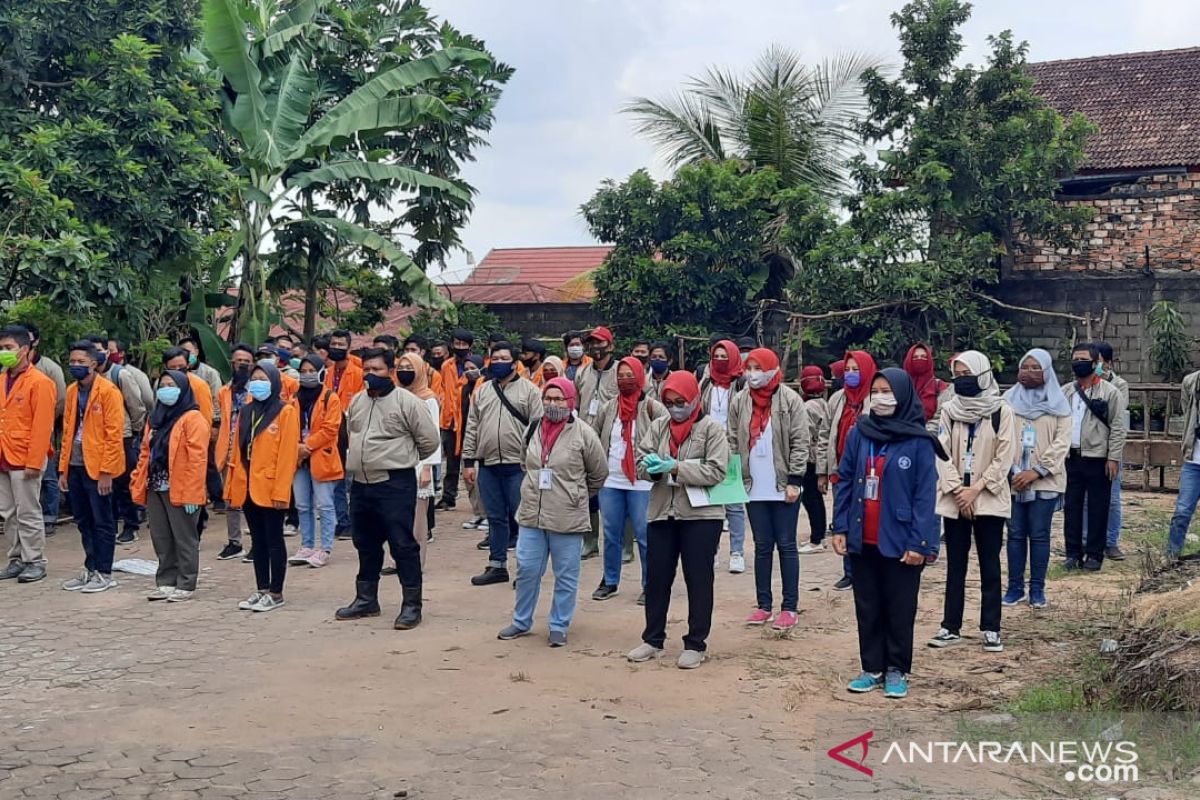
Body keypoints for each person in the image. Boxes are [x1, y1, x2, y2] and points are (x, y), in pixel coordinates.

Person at [832, 368, 943, 699]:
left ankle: (897, 669)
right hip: (861, 534)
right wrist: (839, 526)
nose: (880, 397)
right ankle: (872, 667)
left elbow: (926, 495)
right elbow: (846, 480)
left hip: (901, 539)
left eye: (887, 391)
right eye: (875, 391)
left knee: (899, 606)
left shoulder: (919, 441)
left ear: (903, 395)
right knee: (867, 604)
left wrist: (921, 542)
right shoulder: (859, 433)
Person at [626, 371, 729, 670]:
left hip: (700, 516)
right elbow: (642, 459)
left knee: (698, 579)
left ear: (695, 398)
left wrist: (676, 468)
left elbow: (716, 470)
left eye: (681, 401)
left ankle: (696, 643)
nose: (675, 407)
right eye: (669, 402)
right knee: (657, 578)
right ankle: (653, 640)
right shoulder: (659, 427)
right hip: (662, 511)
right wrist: (654, 469)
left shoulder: (711, 429)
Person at [335, 348, 439, 629]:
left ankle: (411, 606)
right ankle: (366, 599)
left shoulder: (408, 402)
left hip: (395, 483)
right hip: (361, 484)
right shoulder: (357, 401)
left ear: (390, 371)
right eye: (366, 369)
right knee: (365, 544)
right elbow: (349, 435)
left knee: (402, 544)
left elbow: (429, 440)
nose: (370, 374)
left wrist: (402, 459)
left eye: (377, 369)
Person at [498, 378, 607, 646]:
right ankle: (521, 621)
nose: (553, 404)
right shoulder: (534, 426)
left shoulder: (584, 433)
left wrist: (576, 495)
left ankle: (559, 625)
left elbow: (598, 473)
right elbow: (526, 461)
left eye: (559, 399)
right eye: (548, 398)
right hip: (532, 513)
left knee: (566, 574)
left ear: (570, 401)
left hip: (567, 515)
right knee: (526, 569)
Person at [928, 351, 1015, 654]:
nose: (962, 380)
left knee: (990, 564)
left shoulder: (1001, 411)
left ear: (983, 374)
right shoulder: (950, 410)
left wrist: (975, 489)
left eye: (968, 374)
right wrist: (956, 490)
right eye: (958, 374)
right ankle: (950, 625)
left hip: (988, 499)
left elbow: (1005, 457)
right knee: (955, 565)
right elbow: (941, 452)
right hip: (956, 501)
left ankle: (991, 627)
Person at [728, 348, 809, 632]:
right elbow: (731, 439)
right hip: (754, 486)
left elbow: (801, 440)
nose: (752, 373)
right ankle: (764, 605)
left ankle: (789, 607)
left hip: (783, 484)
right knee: (762, 546)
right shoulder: (740, 401)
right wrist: (735, 477)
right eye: (748, 368)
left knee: (786, 545)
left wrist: (795, 480)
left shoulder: (790, 400)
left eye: (757, 368)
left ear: (772, 369)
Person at [463, 341, 543, 586]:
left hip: (518, 467)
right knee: (496, 518)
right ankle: (497, 565)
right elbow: (472, 426)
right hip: (488, 465)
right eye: (494, 358)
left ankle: (527, 571)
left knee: (524, 519)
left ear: (514, 362)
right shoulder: (483, 390)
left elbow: (539, 428)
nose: (498, 362)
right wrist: (468, 461)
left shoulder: (530, 391)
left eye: (503, 358)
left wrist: (535, 463)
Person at [225, 362, 301, 612]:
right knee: (257, 541)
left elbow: (287, 456)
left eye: (263, 378)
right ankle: (261, 588)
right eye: (254, 378)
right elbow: (236, 453)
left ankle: (276, 592)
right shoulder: (246, 411)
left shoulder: (285, 412)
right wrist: (232, 488)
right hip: (247, 486)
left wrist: (281, 492)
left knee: (274, 539)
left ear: (274, 382)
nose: (257, 383)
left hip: (271, 487)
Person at [1002, 349, 1072, 609]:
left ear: (1046, 371)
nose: (1028, 372)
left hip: (1045, 481)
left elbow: (1061, 442)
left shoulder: (1059, 405)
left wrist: (1037, 471)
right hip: (1013, 480)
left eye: (1035, 368)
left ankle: (1037, 590)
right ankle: (1014, 588)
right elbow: (1001, 439)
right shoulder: (1007, 401)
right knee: (1015, 534)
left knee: (1040, 535)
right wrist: (1014, 471)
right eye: (1025, 367)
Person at [592, 357, 665, 603]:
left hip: (642, 482)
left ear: (640, 376)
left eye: (629, 375)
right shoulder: (608, 407)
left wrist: (657, 465)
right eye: (620, 375)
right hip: (611, 479)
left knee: (645, 535)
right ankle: (610, 580)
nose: (625, 380)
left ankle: (650, 583)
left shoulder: (652, 407)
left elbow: (668, 436)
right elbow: (594, 436)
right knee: (611, 533)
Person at [131, 370, 208, 601]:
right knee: (161, 536)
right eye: (162, 385)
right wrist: (137, 479)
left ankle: (186, 582)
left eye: (171, 384)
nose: (166, 389)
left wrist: (194, 494)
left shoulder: (193, 419)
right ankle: (166, 580)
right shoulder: (155, 418)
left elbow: (198, 459)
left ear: (183, 389)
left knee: (184, 538)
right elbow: (145, 452)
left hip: (182, 489)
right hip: (155, 485)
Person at [57, 342, 125, 593]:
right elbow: (67, 432)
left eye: (80, 362)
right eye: (72, 361)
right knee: (83, 519)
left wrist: (106, 471)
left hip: (98, 467)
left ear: (94, 364)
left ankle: (105, 572)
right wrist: (63, 469)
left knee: (102, 520)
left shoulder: (108, 392)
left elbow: (113, 434)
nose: (75, 365)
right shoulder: (73, 390)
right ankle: (91, 567)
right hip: (75, 463)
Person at [1061, 344, 1126, 572]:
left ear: (1095, 363)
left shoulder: (1110, 392)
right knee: (1071, 507)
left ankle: (1095, 555)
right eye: (1075, 358)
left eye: (1083, 359)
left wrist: (1114, 457)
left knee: (1099, 507)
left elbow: (1118, 427)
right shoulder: (1066, 391)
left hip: (1099, 458)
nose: (1078, 362)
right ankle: (1072, 553)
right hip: (1072, 457)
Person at [0, 325, 56, 583]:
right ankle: (16, 558)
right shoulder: (1, 379)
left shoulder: (40, 382)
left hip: (25, 457)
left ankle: (35, 560)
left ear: (25, 350)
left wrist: (35, 462)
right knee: (8, 513)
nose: (4, 352)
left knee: (28, 511)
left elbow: (43, 426)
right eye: (2, 348)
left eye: (8, 348)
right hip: (3, 454)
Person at [820, 350, 877, 591]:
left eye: (856, 370)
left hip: (869, 471)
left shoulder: (876, 399)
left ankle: (869, 570)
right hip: (841, 470)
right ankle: (849, 572)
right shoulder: (837, 399)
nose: (851, 375)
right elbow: (825, 434)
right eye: (848, 370)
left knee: (867, 519)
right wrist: (822, 471)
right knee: (843, 518)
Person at [288, 354, 343, 569]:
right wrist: (297, 449)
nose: (307, 375)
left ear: (321, 372)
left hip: (321, 456)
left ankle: (325, 548)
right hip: (299, 459)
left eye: (312, 370)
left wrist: (307, 446)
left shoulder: (331, 398)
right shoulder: (294, 399)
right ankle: (307, 545)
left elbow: (330, 429)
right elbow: (288, 426)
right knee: (302, 504)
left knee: (325, 505)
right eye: (303, 371)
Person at [99, 337, 152, 543]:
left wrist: (134, 431)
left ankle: (131, 525)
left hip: (123, 435)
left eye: (102, 350)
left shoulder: (121, 374)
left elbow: (137, 405)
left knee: (124, 482)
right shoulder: (91, 377)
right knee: (105, 483)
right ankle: (109, 524)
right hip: (100, 438)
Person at [700, 339, 746, 573]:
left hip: (733, 447)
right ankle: (712, 549)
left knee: (734, 505)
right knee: (712, 504)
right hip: (709, 448)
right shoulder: (706, 382)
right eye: (716, 356)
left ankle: (737, 552)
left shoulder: (741, 384)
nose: (720, 360)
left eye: (724, 356)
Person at [575, 326, 619, 559]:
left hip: (613, 442)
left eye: (600, 343)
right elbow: (576, 403)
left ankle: (622, 544)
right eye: (591, 343)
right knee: (588, 492)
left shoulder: (621, 371)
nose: (595, 347)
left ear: (610, 346)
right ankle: (590, 542)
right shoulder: (582, 372)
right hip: (585, 439)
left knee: (616, 493)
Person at [397, 352, 442, 562]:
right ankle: (399, 560)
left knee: (418, 519)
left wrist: (427, 467)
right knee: (398, 516)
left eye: (409, 368)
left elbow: (433, 435)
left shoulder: (428, 399)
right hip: (397, 461)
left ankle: (416, 562)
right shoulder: (395, 395)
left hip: (419, 464)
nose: (405, 372)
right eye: (401, 367)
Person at [23, 324, 65, 537]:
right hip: (16, 434)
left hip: (44, 427)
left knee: (47, 475)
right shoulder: (6, 372)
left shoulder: (49, 368)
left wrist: (47, 420)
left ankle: (50, 516)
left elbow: (61, 400)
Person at [178, 336, 225, 523]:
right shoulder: (173, 378)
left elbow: (217, 398)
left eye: (190, 352)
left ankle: (217, 496)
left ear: (196, 351)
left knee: (209, 463)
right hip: (184, 427)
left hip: (205, 422)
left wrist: (215, 424)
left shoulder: (209, 373)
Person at [214, 344, 254, 561]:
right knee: (231, 500)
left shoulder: (257, 389)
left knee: (253, 499)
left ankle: (258, 542)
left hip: (251, 452)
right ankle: (234, 542)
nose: (242, 364)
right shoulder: (224, 391)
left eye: (246, 361)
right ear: (232, 362)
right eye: (238, 360)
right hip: (228, 451)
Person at [1092, 342, 1130, 562]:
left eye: (1100, 362)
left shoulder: (1119, 385)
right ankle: (1088, 540)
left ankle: (1111, 542)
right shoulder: (1081, 384)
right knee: (1088, 499)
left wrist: (1103, 384)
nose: (1097, 366)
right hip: (1089, 448)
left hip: (1111, 448)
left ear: (1108, 363)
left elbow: (1115, 416)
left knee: (1113, 498)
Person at [324, 329, 362, 540]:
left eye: (341, 345)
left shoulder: (357, 373)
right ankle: (343, 520)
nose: (336, 348)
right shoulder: (327, 373)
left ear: (348, 348)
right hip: (332, 432)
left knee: (354, 480)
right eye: (334, 344)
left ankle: (355, 521)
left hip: (352, 431)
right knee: (336, 477)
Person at [436, 328, 475, 511]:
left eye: (463, 344)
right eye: (457, 343)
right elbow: (444, 388)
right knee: (451, 460)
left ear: (470, 346)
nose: (460, 347)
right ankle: (448, 496)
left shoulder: (474, 365)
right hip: (450, 419)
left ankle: (477, 500)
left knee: (472, 459)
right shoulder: (446, 366)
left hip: (468, 417)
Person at [1169, 365, 1200, 558]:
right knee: (1182, 511)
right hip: (1193, 460)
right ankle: (1172, 554)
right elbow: (1186, 409)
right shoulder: (1191, 382)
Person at [798, 366, 829, 554]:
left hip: (810, 459)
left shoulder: (807, 407)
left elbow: (805, 435)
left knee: (811, 499)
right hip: (820, 457)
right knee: (816, 498)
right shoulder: (824, 403)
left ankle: (817, 538)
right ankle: (820, 536)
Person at [904, 343, 947, 429]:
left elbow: (942, 416)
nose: (919, 359)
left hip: (930, 435)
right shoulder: (900, 385)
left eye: (924, 357)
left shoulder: (939, 386)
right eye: (915, 357)